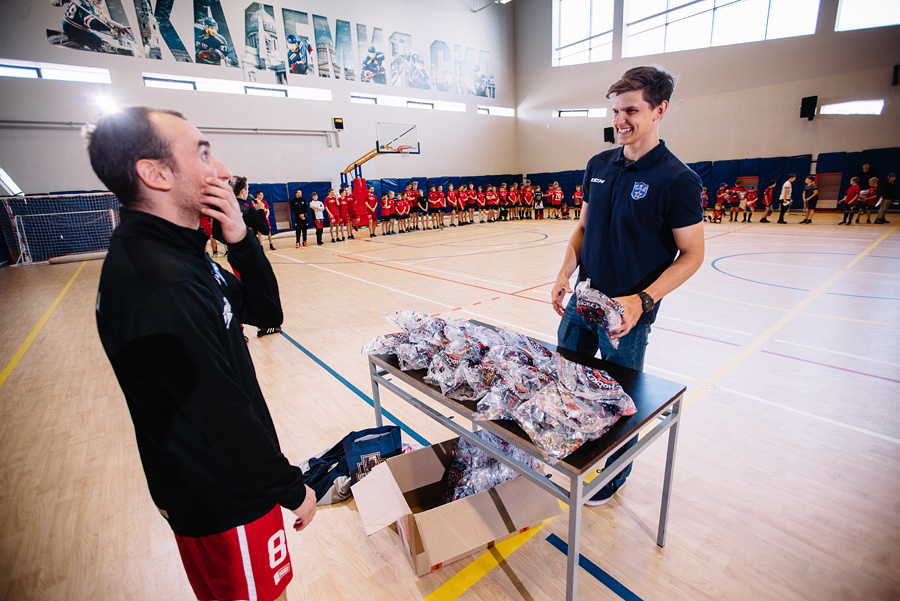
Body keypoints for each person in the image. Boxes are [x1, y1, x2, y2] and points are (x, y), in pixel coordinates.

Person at [85, 107, 315, 601]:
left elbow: (265, 311)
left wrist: (241, 240)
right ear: (156, 174)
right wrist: (291, 488)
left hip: (229, 487)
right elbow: (221, 414)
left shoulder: (180, 256)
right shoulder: (161, 281)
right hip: (224, 496)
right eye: (204, 154)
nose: (223, 171)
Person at [551, 66, 704, 507]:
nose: (620, 120)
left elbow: (692, 254)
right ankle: (572, 451)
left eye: (631, 110)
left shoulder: (678, 180)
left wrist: (642, 300)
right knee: (566, 382)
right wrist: (564, 272)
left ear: (660, 110)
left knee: (620, 403)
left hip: (626, 318)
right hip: (582, 303)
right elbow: (583, 229)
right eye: (616, 110)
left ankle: (613, 477)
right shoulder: (599, 165)